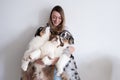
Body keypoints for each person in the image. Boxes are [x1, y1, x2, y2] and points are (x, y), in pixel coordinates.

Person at [21, 5, 80, 80]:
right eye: (54, 17)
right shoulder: (44, 30)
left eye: (59, 18)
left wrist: (54, 61)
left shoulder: (65, 33)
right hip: (42, 61)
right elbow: (35, 46)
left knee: (56, 75)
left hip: (57, 62)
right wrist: (37, 59)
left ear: (62, 19)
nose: (56, 20)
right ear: (51, 17)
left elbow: (71, 48)